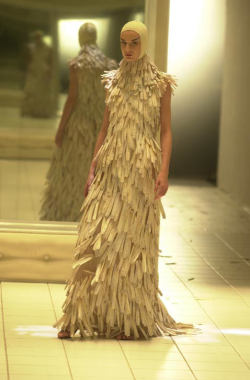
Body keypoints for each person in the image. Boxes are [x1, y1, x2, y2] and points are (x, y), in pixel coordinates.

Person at [54, 20, 194, 340]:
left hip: (141, 172)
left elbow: (166, 130)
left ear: (143, 43)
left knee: (132, 244)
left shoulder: (160, 84)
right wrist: (92, 166)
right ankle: (77, 315)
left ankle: (129, 319)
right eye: (123, 43)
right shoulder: (111, 82)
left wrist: (163, 171)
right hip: (111, 167)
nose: (128, 49)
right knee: (95, 237)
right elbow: (105, 128)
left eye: (134, 43)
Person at [40, 23, 117, 221]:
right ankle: (98, 214)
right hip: (101, 123)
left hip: (79, 126)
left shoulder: (77, 64)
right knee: (98, 167)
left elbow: (72, 99)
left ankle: (72, 211)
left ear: (81, 38)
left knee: (75, 169)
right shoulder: (108, 64)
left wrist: (61, 129)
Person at [21, 30, 55, 118]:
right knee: (30, 91)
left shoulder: (48, 48)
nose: (37, 39)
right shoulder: (31, 48)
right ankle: (29, 111)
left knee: (43, 93)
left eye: (38, 37)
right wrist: (29, 67)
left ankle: (42, 112)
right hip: (33, 71)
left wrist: (49, 72)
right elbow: (27, 59)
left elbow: (50, 61)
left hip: (43, 72)